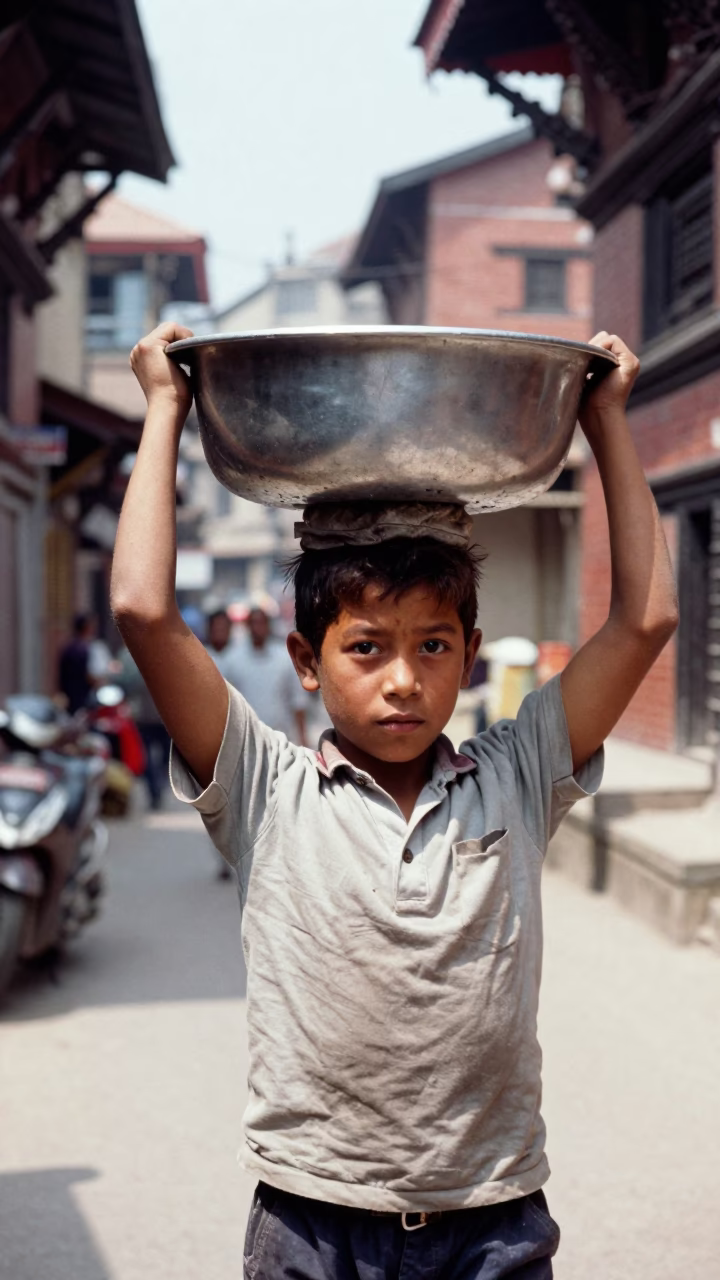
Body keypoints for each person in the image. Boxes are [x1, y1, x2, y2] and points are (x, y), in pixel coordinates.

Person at [111, 322, 678, 1280]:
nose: (405, 680)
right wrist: (165, 407)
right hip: (313, 1218)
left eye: (434, 646)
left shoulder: (516, 772)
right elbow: (144, 610)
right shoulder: (267, 787)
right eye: (367, 648)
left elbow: (646, 619)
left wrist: (607, 423)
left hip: (491, 1215)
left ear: (469, 652)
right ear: (307, 660)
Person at [58, 613, 97, 713]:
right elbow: (89, 675)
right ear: (86, 627)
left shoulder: (68, 647)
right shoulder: (85, 649)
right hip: (83, 697)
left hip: (69, 696)